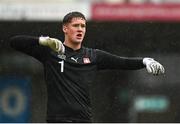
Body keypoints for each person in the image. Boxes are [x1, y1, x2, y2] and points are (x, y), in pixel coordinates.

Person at [9, 11, 165, 123]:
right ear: (65, 28)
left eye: (83, 26)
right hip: (58, 120)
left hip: (84, 120)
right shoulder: (50, 52)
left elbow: (122, 62)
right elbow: (15, 42)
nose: (80, 29)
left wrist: (145, 61)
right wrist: (42, 41)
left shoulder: (93, 55)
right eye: (75, 25)